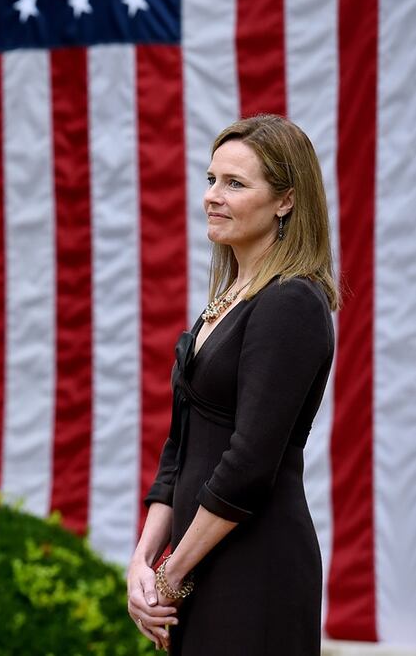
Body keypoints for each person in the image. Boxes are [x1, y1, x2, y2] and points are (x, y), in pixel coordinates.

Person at [125, 114, 339, 654]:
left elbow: (249, 464)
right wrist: (143, 562)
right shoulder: (225, 302)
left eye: (235, 184)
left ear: (285, 201)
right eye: (211, 179)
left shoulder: (291, 302)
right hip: (197, 561)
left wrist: (173, 573)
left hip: (255, 566)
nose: (213, 197)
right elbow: (180, 446)